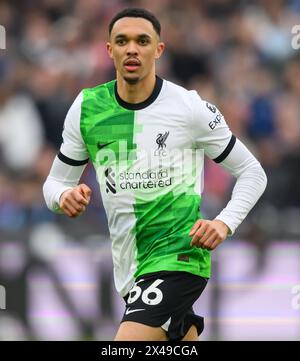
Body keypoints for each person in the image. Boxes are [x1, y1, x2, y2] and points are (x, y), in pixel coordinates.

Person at [43, 8, 267, 341]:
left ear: (158, 50)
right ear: (109, 50)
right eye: (122, 41)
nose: (132, 48)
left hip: (179, 257)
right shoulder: (88, 108)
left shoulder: (188, 108)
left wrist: (224, 222)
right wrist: (64, 196)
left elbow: (252, 171)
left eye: (142, 41)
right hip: (131, 267)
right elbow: (55, 182)